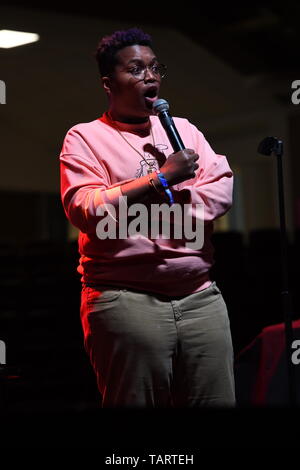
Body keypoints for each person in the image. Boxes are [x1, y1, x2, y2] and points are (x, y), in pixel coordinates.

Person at [59, 27, 235, 408]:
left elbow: (221, 190)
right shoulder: (85, 138)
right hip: (127, 299)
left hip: (200, 296)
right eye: (136, 69)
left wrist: (135, 210)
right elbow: (87, 210)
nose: (150, 76)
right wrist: (160, 180)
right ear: (109, 83)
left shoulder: (184, 129)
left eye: (155, 68)